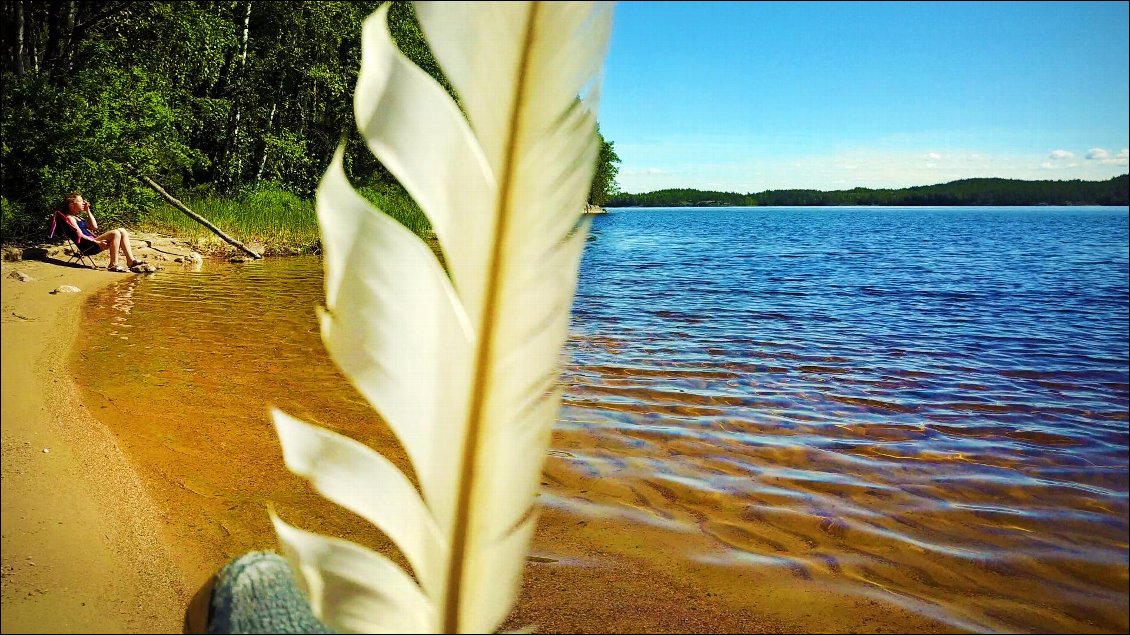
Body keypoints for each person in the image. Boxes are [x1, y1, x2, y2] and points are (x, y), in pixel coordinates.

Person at [60, 191, 146, 272]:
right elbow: (80, 235)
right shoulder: (70, 218)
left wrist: (88, 211)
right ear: (71, 205)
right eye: (80, 201)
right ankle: (113, 264)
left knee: (122, 230)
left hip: (92, 243)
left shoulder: (77, 218)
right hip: (87, 246)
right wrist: (97, 242)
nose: (84, 203)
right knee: (115, 233)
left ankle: (131, 261)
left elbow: (94, 227)